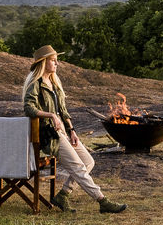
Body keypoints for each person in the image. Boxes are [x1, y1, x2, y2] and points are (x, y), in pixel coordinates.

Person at [23, 45, 127, 213]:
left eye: (57, 60)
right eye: (53, 60)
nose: (57, 64)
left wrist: (72, 131)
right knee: (78, 166)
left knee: (88, 161)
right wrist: (51, 115)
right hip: (48, 134)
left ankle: (63, 195)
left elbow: (63, 111)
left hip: (62, 131)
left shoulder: (55, 84)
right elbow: (29, 108)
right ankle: (103, 201)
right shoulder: (36, 84)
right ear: (44, 62)